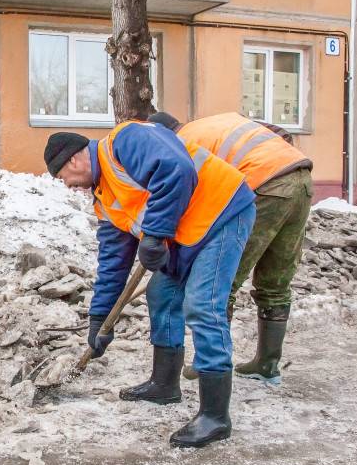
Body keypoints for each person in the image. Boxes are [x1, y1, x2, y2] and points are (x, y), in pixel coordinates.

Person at [44, 121, 256, 448]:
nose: (68, 186)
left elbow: (176, 169)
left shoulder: (125, 141)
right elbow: (114, 262)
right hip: (187, 233)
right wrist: (100, 318)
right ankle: (165, 384)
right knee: (161, 294)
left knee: (202, 304)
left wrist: (155, 234)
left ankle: (215, 416)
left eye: (63, 179)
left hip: (222, 213)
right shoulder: (104, 200)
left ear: (73, 160)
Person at [149, 112, 312, 385]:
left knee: (219, 282)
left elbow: (192, 199)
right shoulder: (217, 122)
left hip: (261, 187)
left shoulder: (183, 143)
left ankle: (207, 363)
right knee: (276, 278)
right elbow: (280, 134)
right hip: (300, 178)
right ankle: (267, 364)